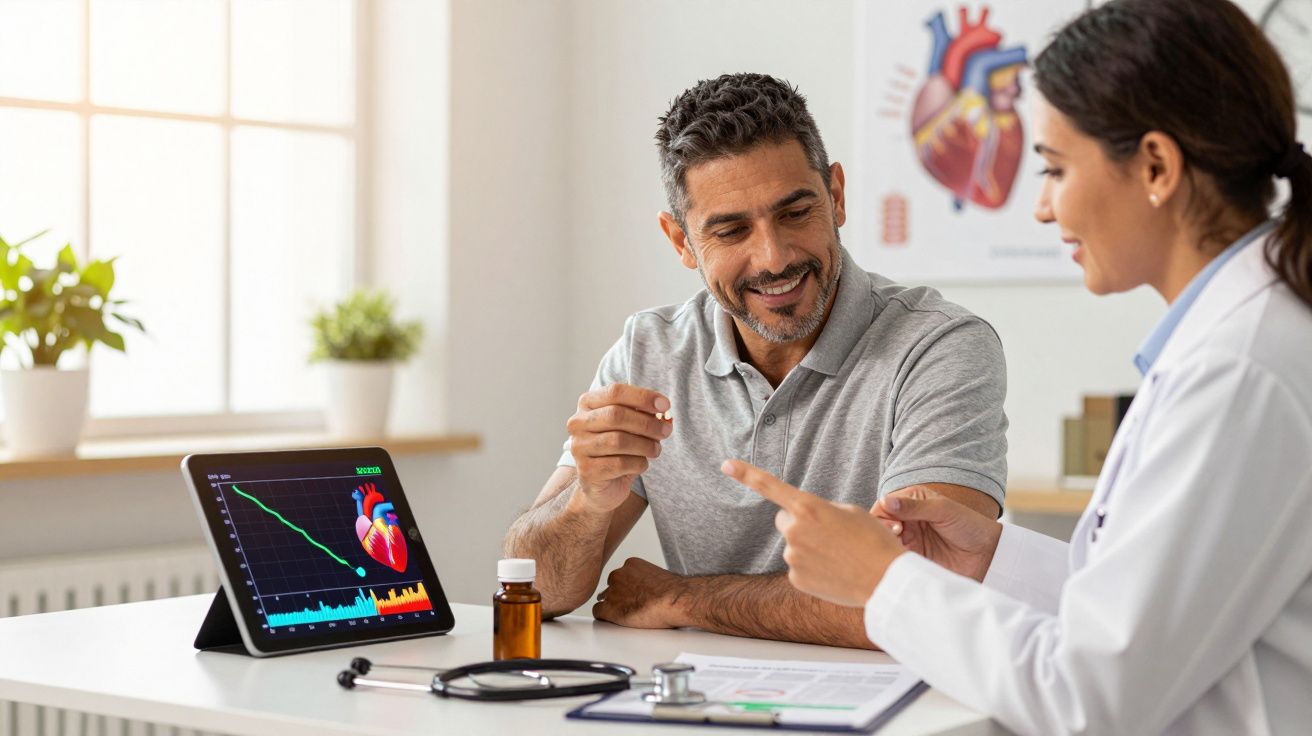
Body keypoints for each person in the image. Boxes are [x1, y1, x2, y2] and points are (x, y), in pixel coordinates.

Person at [723, 0, 1312, 732]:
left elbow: (1090, 698)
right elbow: (1150, 616)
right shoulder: (1241, 341)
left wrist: (883, 581)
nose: (1041, 207)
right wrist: (992, 559)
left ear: (1156, 167)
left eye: (1055, 170)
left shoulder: (1239, 370)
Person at [503, 73, 1009, 648]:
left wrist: (682, 599)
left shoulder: (938, 347)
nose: (773, 258)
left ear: (836, 196)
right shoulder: (650, 351)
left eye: (795, 213)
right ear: (681, 241)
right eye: (731, 230)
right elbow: (534, 590)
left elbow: (926, 596)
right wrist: (588, 501)